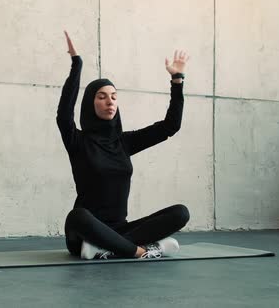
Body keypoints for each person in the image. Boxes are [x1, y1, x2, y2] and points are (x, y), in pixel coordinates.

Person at [58, 31, 191, 259]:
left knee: (180, 213)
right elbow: (63, 114)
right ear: (90, 103)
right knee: (77, 216)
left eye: (114, 97)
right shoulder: (77, 141)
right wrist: (77, 64)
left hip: (120, 230)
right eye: (101, 96)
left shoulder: (124, 142)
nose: (110, 101)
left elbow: (170, 126)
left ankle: (107, 248)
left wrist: (177, 81)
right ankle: (141, 251)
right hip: (84, 231)